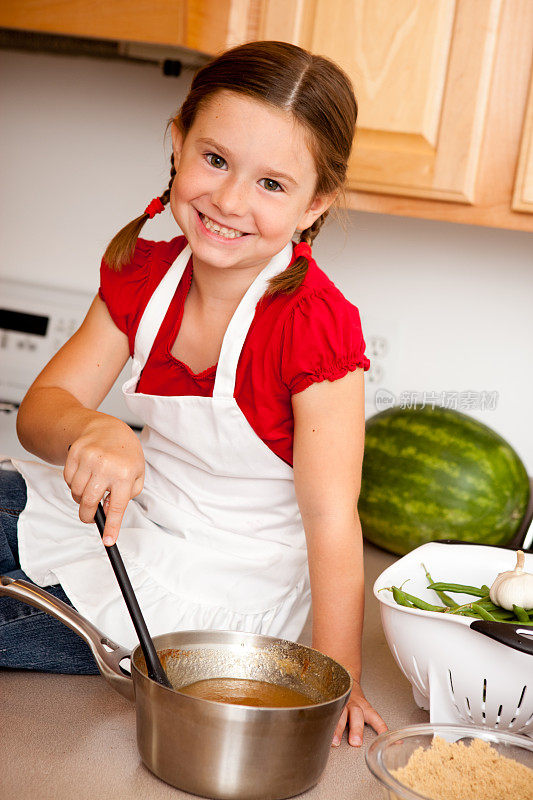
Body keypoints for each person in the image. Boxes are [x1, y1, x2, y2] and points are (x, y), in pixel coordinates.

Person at [0, 40, 386, 748]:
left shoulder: (313, 328)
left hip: (218, 594)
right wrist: (93, 428)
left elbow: (333, 521)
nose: (230, 200)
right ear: (178, 144)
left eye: (272, 184)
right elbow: (40, 412)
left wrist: (343, 677)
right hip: (136, 521)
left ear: (315, 204)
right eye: (215, 159)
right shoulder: (141, 273)